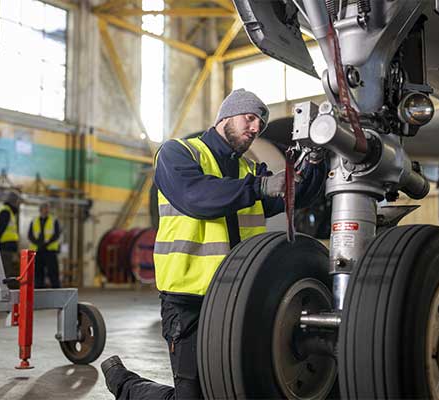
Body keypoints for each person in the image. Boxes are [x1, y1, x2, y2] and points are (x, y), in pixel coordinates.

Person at [102, 89, 326, 399]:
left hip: (236, 297)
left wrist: (316, 161)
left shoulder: (249, 170)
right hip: (188, 298)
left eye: (259, 125)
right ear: (226, 116)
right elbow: (197, 197)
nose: (254, 129)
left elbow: (293, 197)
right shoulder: (178, 154)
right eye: (249, 119)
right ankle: (124, 384)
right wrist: (261, 185)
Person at [28, 202, 62, 288]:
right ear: (40, 210)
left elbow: (56, 234)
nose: (46, 210)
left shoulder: (54, 220)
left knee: (53, 273)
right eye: (44, 208)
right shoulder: (34, 221)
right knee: (38, 274)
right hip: (38, 251)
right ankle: (39, 291)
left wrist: (47, 243)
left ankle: (56, 292)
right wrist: (38, 244)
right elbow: (30, 235)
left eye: (47, 208)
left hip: (50, 251)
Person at [0, 191, 21, 289]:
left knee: (8, 272)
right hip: (5, 247)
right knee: (6, 272)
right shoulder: (6, 212)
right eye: (17, 202)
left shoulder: (9, 212)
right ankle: (5, 294)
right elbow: (1, 229)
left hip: (8, 247)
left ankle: (7, 293)